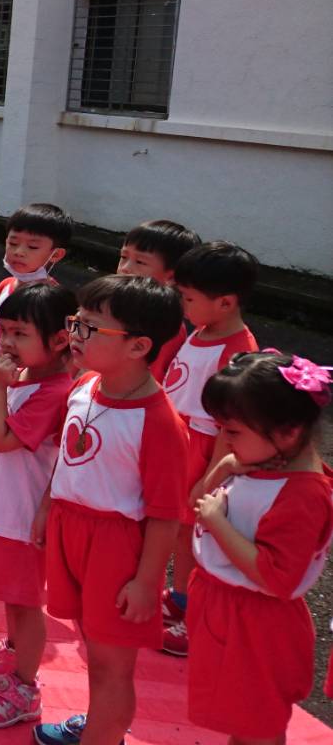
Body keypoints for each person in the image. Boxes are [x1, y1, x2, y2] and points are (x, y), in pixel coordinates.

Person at [32, 276, 190, 745]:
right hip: (71, 530)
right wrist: (47, 506)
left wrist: (146, 582)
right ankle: (102, 726)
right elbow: (65, 455)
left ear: (139, 346)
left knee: (113, 664)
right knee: (92, 651)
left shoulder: (160, 422)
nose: (74, 335)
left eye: (89, 328)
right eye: (75, 323)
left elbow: (166, 515)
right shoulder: (84, 385)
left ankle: (103, 733)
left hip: (117, 546)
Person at [186, 352, 332, 745]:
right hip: (232, 612)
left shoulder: (303, 495)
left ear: (287, 432)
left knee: (259, 726)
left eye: (232, 431)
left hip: (257, 627)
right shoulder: (260, 463)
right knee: (244, 720)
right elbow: (197, 504)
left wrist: (218, 523)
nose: (223, 440)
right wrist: (220, 470)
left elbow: (278, 577)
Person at [0, 282, 77, 728]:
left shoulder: (53, 390)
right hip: (3, 509)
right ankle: (13, 654)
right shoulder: (29, 377)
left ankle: (25, 687)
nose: (7, 343)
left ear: (61, 338)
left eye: (20, 334)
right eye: (4, 332)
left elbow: (4, 438)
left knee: (26, 603)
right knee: (11, 598)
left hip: (20, 517)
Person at [158, 241, 260, 655]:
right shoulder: (203, 329)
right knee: (179, 529)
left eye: (188, 298)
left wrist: (210, 475)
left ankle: (194, 614)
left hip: (202, 448)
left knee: (195, 532)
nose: (182, 304)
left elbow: (228, 423)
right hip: (180, 439)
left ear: (225, 302)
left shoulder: (237, 350)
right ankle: (182, 597)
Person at [0, 203, 71, 496]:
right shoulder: (5, 287)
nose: (19, 252)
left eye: (32, 246)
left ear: (56, 254)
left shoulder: (53, 302)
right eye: (13, 243)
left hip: (25, 398)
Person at [115, 219, 202, 383]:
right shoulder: (110, 304)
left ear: (171, 276)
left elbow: (147, 380)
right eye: (123, 256)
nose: (125, 267)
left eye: (140, 262)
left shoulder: (166, 327)